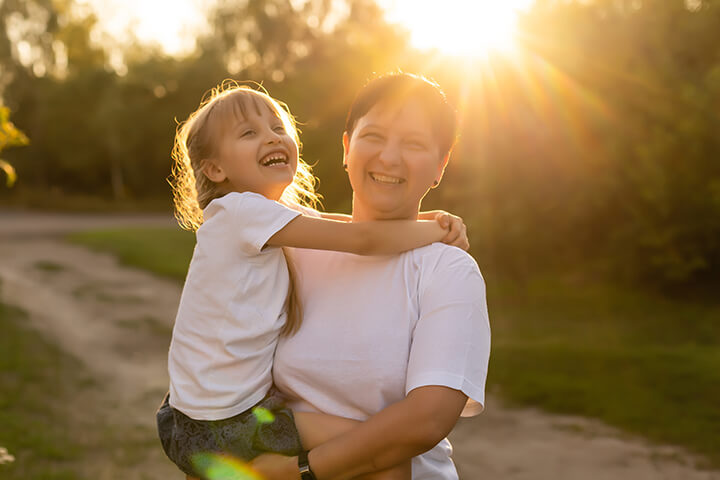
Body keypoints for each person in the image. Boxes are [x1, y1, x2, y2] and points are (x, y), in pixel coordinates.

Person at [155, 81, 467, 480]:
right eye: (249, 133)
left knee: (372, 451)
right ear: (215, 169)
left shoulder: (257, 215)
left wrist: (426, 218)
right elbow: (362, 238)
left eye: (277, 128)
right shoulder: (240, 213)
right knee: (383, 456)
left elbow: (338, 223)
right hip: (225, 424)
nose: (271, 137)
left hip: (200, 417)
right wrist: (438, 232)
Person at [251, 72, 491, 480]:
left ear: (440, 166)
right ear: (346, 147)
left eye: (413, 144)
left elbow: (426, 421)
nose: (389, 158)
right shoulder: (289, 249)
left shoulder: (448, 270)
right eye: (374, 136)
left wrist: (300, 474)